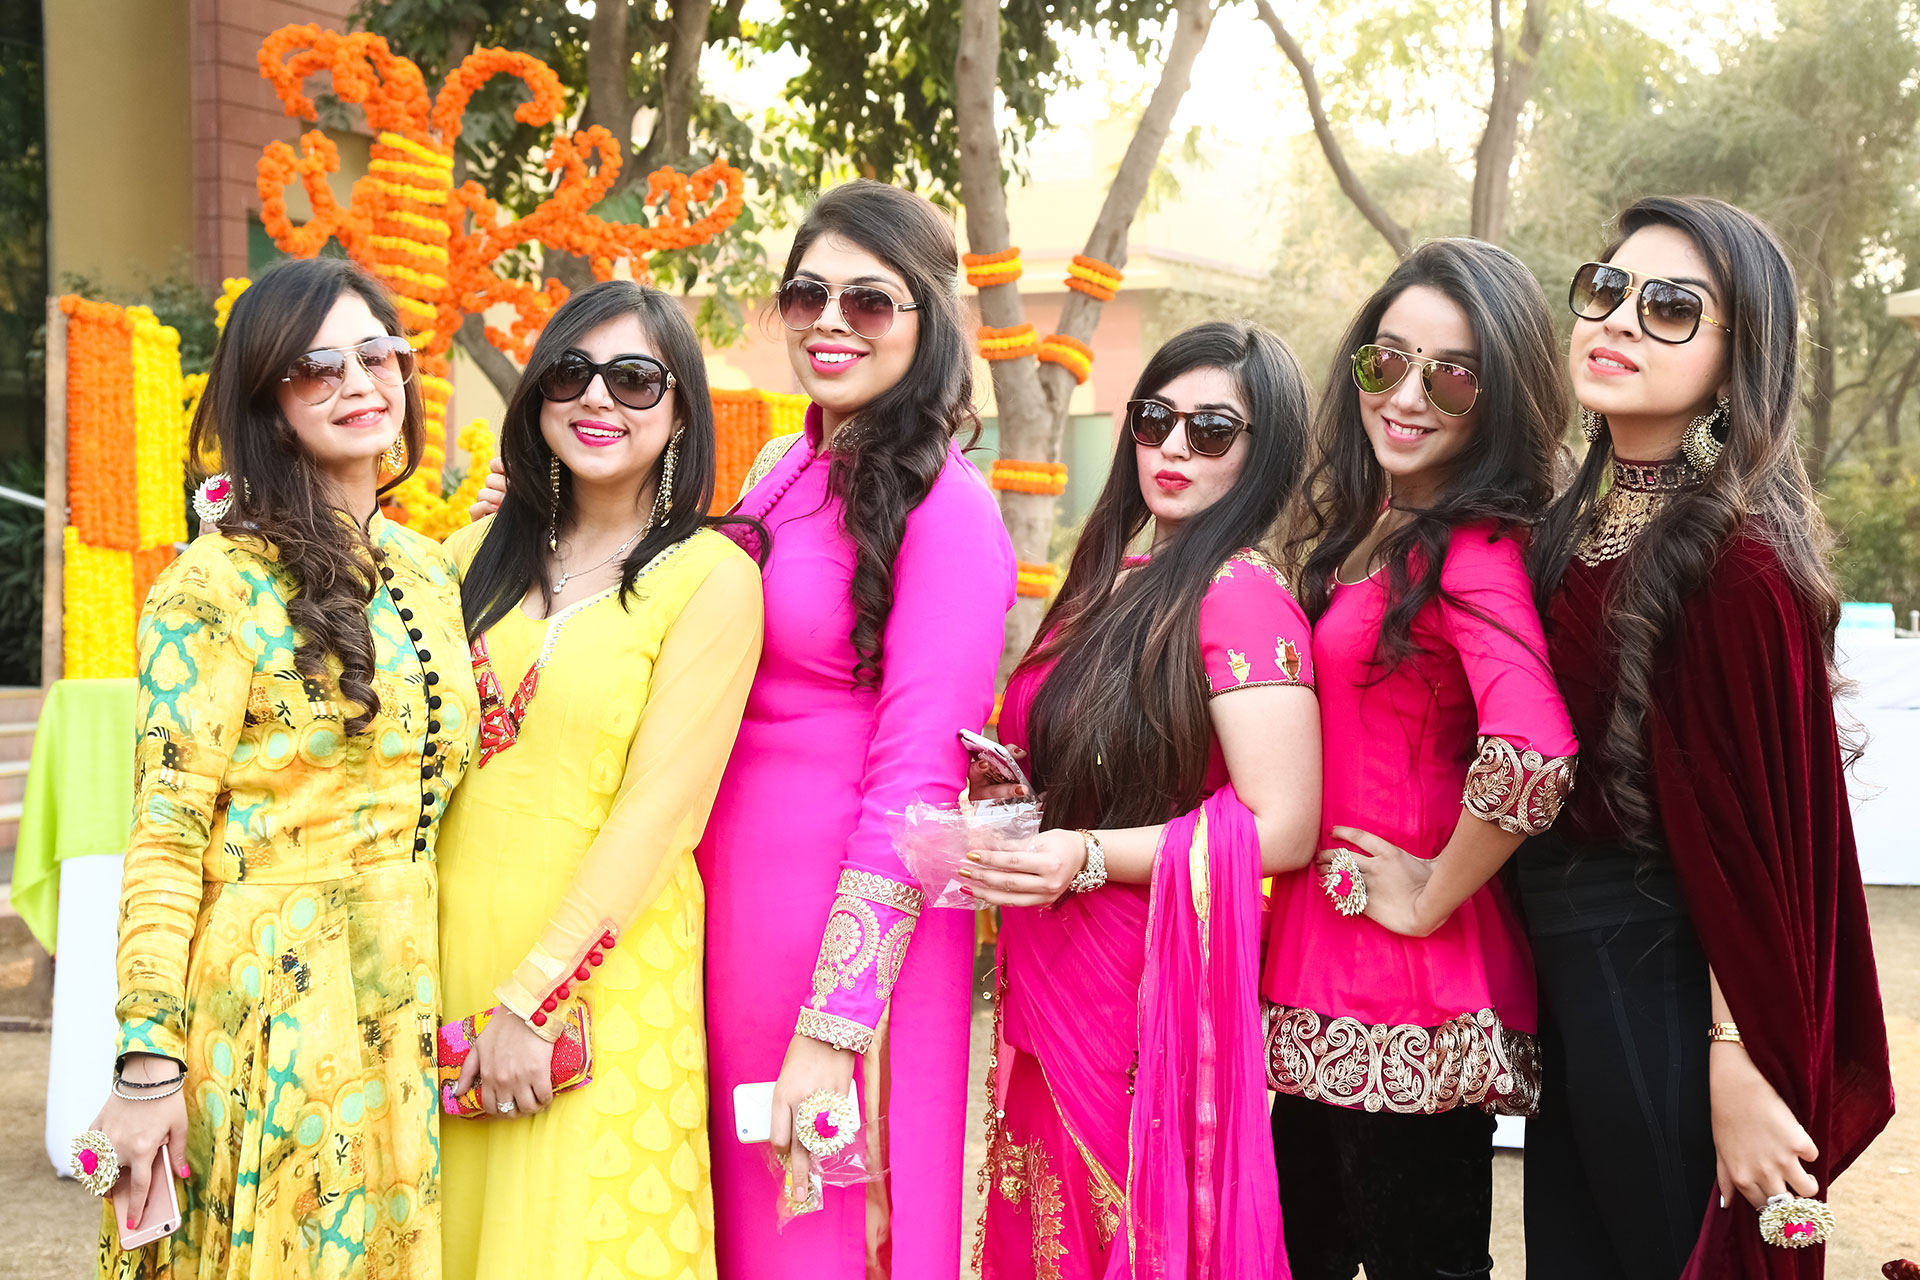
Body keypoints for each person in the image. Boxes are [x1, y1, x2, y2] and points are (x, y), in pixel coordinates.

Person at [473, 180, 1016, 1276]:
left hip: (831, 935)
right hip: (714, 912)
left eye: (869, 301)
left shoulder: (949, 509)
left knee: (812, 1237)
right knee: (720, 1222)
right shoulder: (782, 468)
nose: (830, 321)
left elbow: (918, 789)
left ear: (928, 320)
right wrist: (545, 519)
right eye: (808, 294)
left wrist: (835, 1024)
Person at [1511, 195, 1886, 1278]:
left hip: (1666, 981)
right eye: (1606, 290)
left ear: (1735, 362)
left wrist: (1738, 1058)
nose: (1620, 320)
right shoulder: (1559, 534)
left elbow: (1752, 848)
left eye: (1672, 307)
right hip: (1567, 982)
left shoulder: (1739, 563)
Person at [82, 256, 479, 1278]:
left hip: (407, 993)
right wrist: (145, 1061)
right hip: (274, 1004)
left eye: (376, 354)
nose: (359, 383)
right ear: (267, 399)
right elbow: (166, 831)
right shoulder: (212, 584)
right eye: (316, 367)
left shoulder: (430, 568)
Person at [966, 322, 1322, 1279]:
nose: (1174, 447)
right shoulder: (1118, 582)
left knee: (1120, 1233)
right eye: (1156, 420)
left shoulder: (1239, 595)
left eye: (1212, 430)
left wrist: (1084, 855)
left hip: (1140, 978)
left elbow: (1283, 826)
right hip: (1053, 944)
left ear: (1263, 453)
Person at [433, 281, 764, 1278]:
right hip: (445, 958)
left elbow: (660, 812)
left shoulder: (710, 576)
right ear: (536, 393)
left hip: (598, 979)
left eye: (634, 379)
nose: (597, 398)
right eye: (571, 372)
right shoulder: (460, 559)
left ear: (681, 410)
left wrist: (531, 998)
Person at [1265, 238, 1578, 1280]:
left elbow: (1534, 751)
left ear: (1498, 400)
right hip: (1323, 964)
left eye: (1451, 377)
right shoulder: (1377, 527)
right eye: (1386, 361)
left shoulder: (1470, 549)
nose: (1406, 395)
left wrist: (1431, 892)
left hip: (1404, 984)